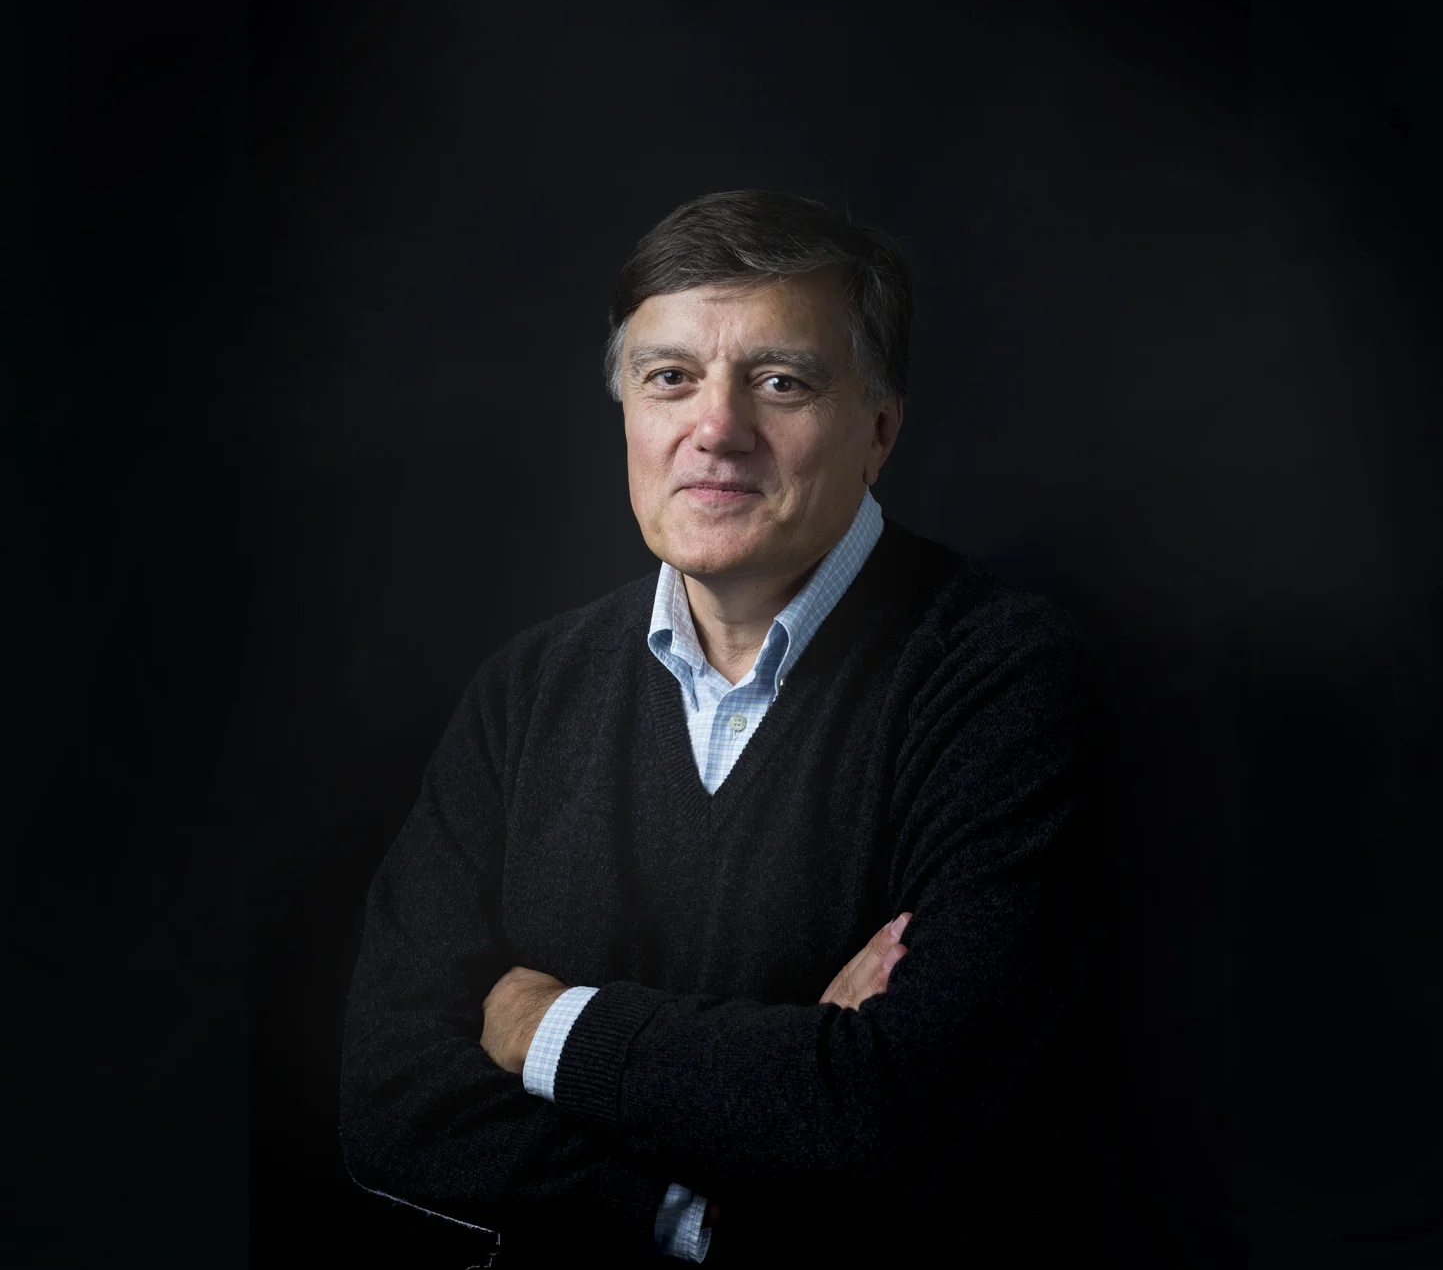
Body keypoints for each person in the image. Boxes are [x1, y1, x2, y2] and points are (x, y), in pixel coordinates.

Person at [340, 190, 1095, 1265]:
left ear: (879, 429)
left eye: (781, 381)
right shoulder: (526, 693)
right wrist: (693, 1211)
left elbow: (890, 1104)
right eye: (670, 378)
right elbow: (388, 1096)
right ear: (628, 411)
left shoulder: (1001, 683)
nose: (717, 430)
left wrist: (540, 1026)